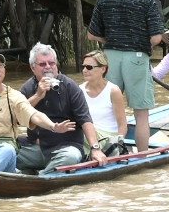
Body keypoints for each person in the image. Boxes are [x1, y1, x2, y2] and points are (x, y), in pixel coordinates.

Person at [87, 0, 165, 152]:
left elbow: (91, 34)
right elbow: (156, 38)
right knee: (141, 115)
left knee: (108, 108)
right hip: (137, 59)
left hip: (109, 58)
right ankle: (142, 156)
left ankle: (104, 151)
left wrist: (111, 40)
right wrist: (138, 41)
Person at [18, 43, 108, 174]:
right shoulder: (27, 88)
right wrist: (37, 95)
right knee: (6, 151)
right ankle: (37, 172)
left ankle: (39, 178)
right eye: (42, 64)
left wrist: (95, 148)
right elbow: (15, 117)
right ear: (32, 68)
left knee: (70, 158)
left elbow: (85, 120)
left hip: (65, 148)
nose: (48, 67)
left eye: (52, 63)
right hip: (37, 148)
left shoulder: (70, 86)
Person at [79, 50, 128, 137]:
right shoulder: (80, 90)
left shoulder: (113, 91)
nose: (84, 70)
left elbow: (122, 125)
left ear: (103, 69)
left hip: (107, 136)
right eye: (83, 67)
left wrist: (118, 142)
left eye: (89, 67)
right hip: (88, 134)